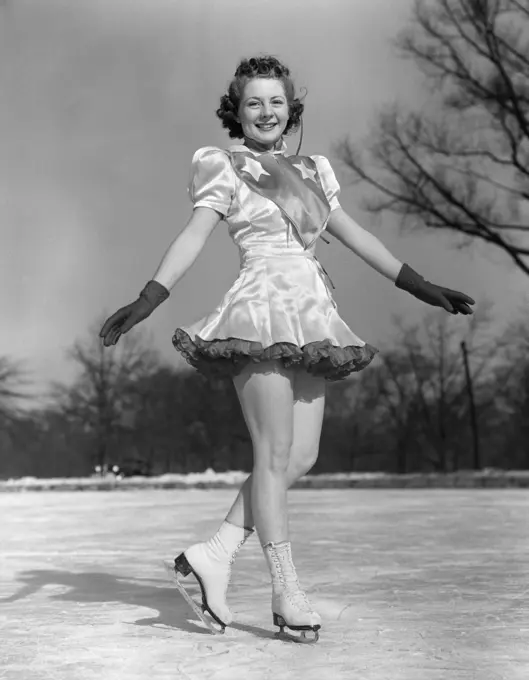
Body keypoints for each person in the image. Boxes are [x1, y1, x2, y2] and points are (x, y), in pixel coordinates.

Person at [99, 55, 475, 643]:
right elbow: (194, 234)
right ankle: (286, 589)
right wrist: (149, 297)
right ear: (237, 111)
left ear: (291, 107)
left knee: (300, 458)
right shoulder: (224, 166)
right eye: (254, 102)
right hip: (259, 309)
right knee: (273, 455)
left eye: (276, 101)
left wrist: (421, 285)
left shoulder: (315, 171)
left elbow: (355, 236)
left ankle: (214, 554)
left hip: (312, 316)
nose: (266, 111)